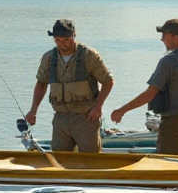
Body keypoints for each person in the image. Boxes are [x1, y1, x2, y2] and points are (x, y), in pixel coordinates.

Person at [108, 19, 178, 155]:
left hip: (173, 123)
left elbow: (149, 94)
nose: (162, 39)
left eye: (165, 35)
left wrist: (122, 110)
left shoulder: (168, 62)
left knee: (167, 162)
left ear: (176, 38)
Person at [24, 19, 115, 153]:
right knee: (60, 159)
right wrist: (33, 110)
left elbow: (108, 81)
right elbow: (41, 83)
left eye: (66, 40)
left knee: (90, 161)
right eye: (58, 40)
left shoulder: (88, 55)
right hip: (60, 119)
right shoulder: (49, 57)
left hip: (86, 119)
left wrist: (98, 107)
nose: (62, 44)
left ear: (74, 36)